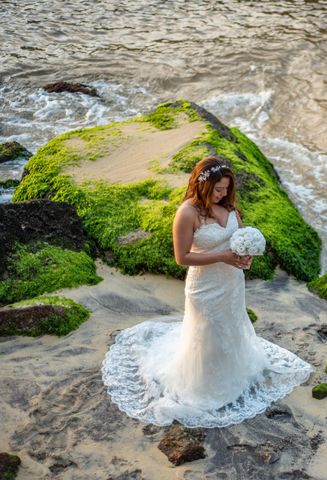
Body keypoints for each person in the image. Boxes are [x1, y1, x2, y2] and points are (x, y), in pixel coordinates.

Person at [101, 155, 312, 427]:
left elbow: (236, 241)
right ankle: (205, 386)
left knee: (232, 325)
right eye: (218, 190)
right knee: (209, 331)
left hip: (232, 282)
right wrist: (223, 257)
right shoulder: (187, 213)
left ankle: (232, 375)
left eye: (226, 189)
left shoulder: (230, 207)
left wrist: (244, 257)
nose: (223, 194)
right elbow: (182, 257)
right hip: (204, 286)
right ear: (202, 185)